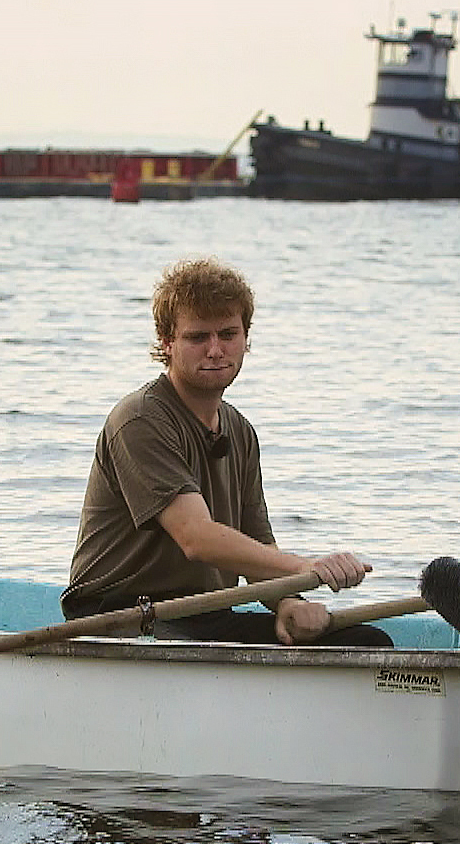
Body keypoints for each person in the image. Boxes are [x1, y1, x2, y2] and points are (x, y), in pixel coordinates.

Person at [61, 258, 392, 647]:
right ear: (167, 343)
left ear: (246, 338)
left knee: (367, 642)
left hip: (204, 612)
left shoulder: (240, 430)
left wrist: (287, 600)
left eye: (228, 334)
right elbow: (196, 537)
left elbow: (257, 547)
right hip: (117, 615)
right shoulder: (140, 420)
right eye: (198, 337)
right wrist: (307, 568)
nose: (216, 350)